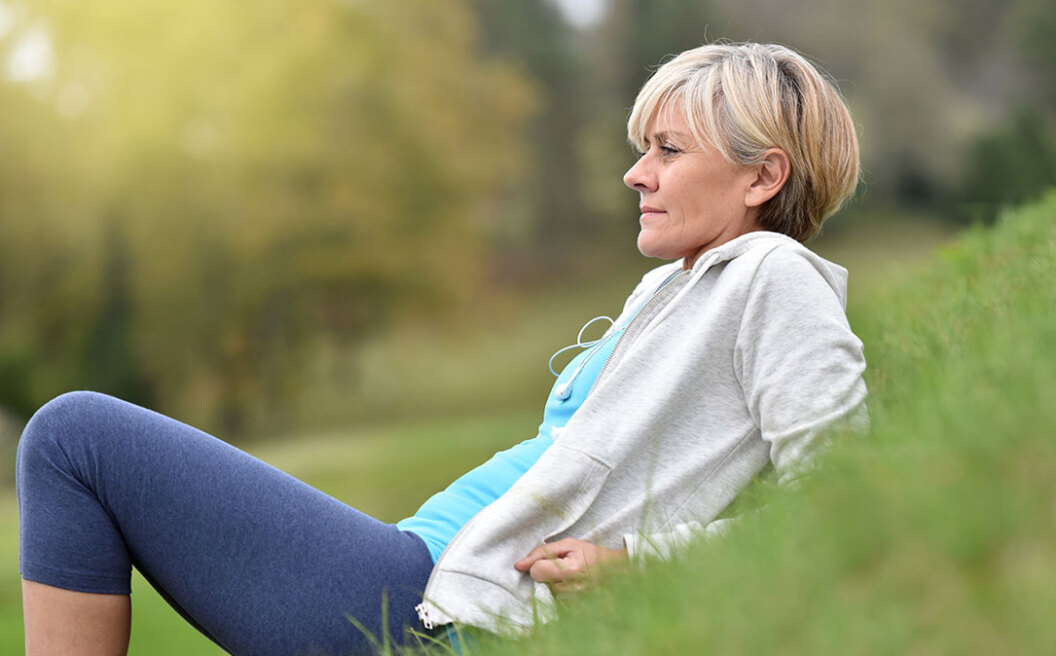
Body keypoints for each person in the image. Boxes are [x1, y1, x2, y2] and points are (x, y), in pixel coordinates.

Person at [16, 41, 867, 656]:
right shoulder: (680, 286)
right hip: (422, 576)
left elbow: (842, 497)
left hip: (424, 612)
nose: (635, 175)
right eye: (642, 149)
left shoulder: (773, 278)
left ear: (763, 177)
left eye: (667, 150)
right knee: (75, 443)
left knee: (73, 438)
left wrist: (633, 568)